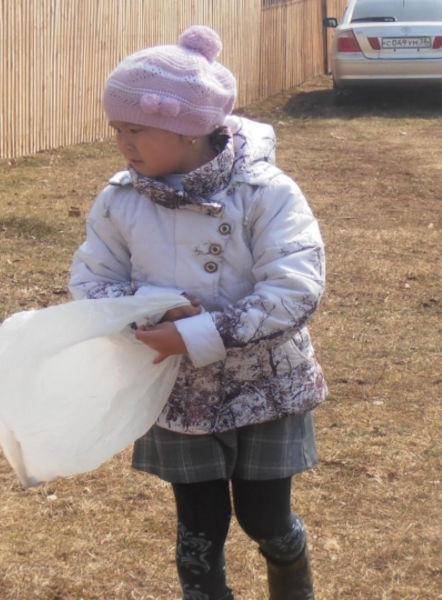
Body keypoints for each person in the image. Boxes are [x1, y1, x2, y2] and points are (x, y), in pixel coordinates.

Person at [69, 25, 326, 600]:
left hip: (265, 384)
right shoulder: (120, 199)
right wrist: (145, 317)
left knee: (265, 519)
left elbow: (295, 290)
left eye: (136, 129)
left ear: (189, 129)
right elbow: (91, 281)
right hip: (178, 390)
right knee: (199, 529)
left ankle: (291, 571)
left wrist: (198, 333)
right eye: (117, 129)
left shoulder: (266, 192)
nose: (123, 143)